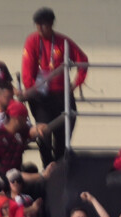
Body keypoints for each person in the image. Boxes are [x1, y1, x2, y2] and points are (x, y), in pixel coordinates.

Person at [19, 6, 84, 160]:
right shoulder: (32, 40)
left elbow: (83, 60)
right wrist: (31, 89)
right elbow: (27, 69)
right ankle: (47, 166)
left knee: (64, 130)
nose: (40, 28)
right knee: (44, 133)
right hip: (40, 96)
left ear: (51, 24)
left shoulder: (63, 41)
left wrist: (76, 83)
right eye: (38, 25)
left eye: (44, 25)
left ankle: (60, 164)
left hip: (61, 95)